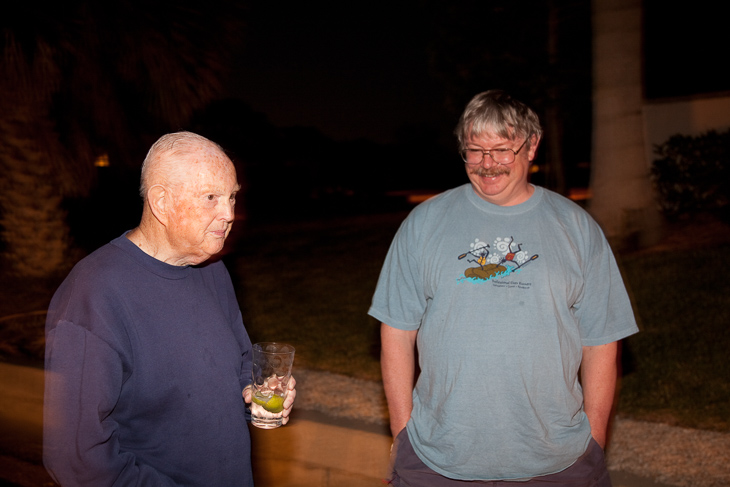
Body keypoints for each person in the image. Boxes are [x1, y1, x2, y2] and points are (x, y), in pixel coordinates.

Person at [369, 90, 638, 486]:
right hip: (437, 461)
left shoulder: (576, 228)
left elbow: (601, 339)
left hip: (559, 462)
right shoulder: (423, 223)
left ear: (532, 147)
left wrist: (593, 442)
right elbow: (396, 330)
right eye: (475, 150)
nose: (487, 164)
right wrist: (403, 433)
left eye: (502, 150)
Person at [43, 131, 296, 486]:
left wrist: (255, 394)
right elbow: (77, 460)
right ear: (161, 202)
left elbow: (238, 362)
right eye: (211, 197)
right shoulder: (95, 294)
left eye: (232, 197)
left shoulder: (212, 269)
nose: (229, 214)